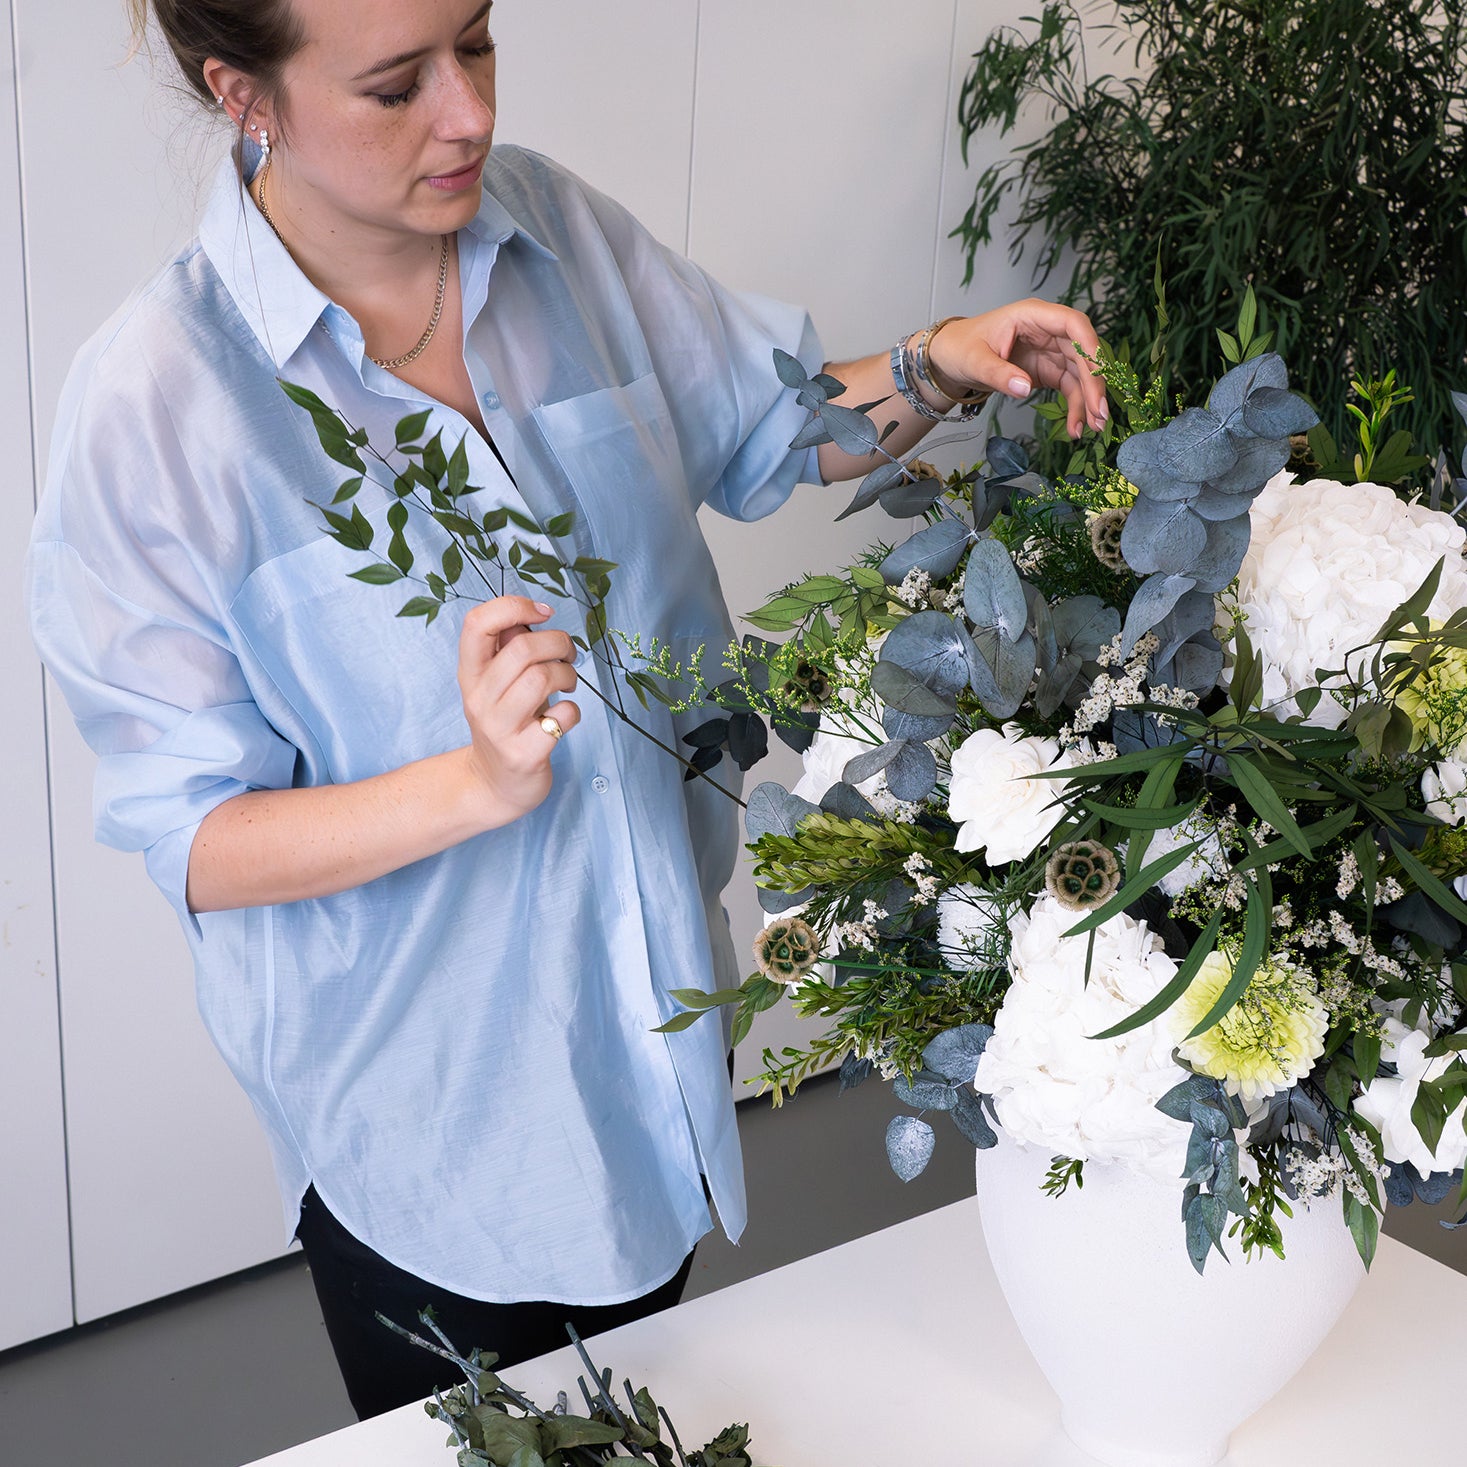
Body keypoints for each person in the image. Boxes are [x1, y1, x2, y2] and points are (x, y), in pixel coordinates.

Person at [26, 0, 1107, 1419]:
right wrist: (469, 782)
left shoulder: (550, 231)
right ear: (248, 95)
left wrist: (931, 364)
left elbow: (770, 424)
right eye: (397, 83)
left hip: (656, 1049)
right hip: (427, 1119)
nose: (467, 112)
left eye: (474, 43)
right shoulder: (155, 407)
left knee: (645, 1408)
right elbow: (194, 839)